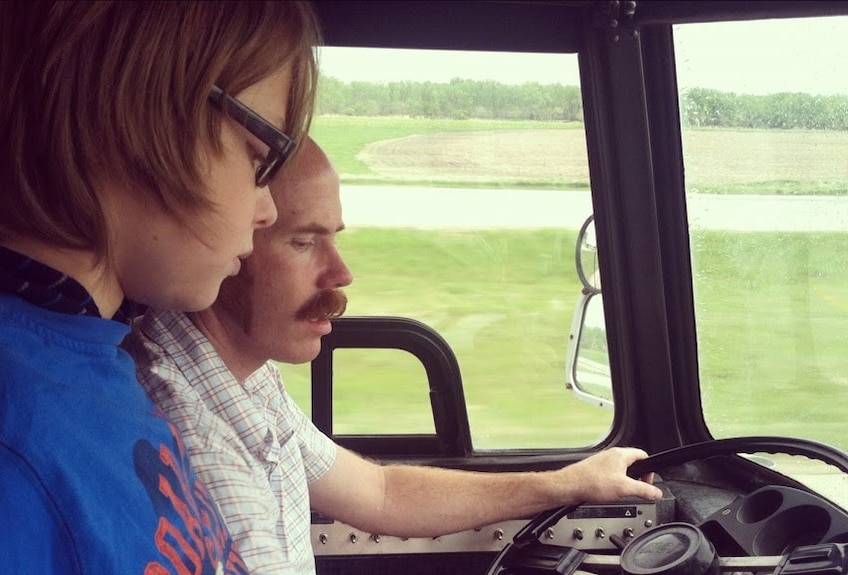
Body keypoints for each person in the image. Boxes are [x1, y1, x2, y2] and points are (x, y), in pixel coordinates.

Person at [127, 138, 664, 574]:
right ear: (227, 242)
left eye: (333, 239)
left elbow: (381, 494)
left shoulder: (241, 378)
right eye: (303, 243)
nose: (341, 274)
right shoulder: (193, 444)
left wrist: (572, 481)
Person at [0, 1, 320, 572]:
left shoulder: (95, 359)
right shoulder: (19, 458)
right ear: (134, 114)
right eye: (258, 159)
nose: (267, 209)